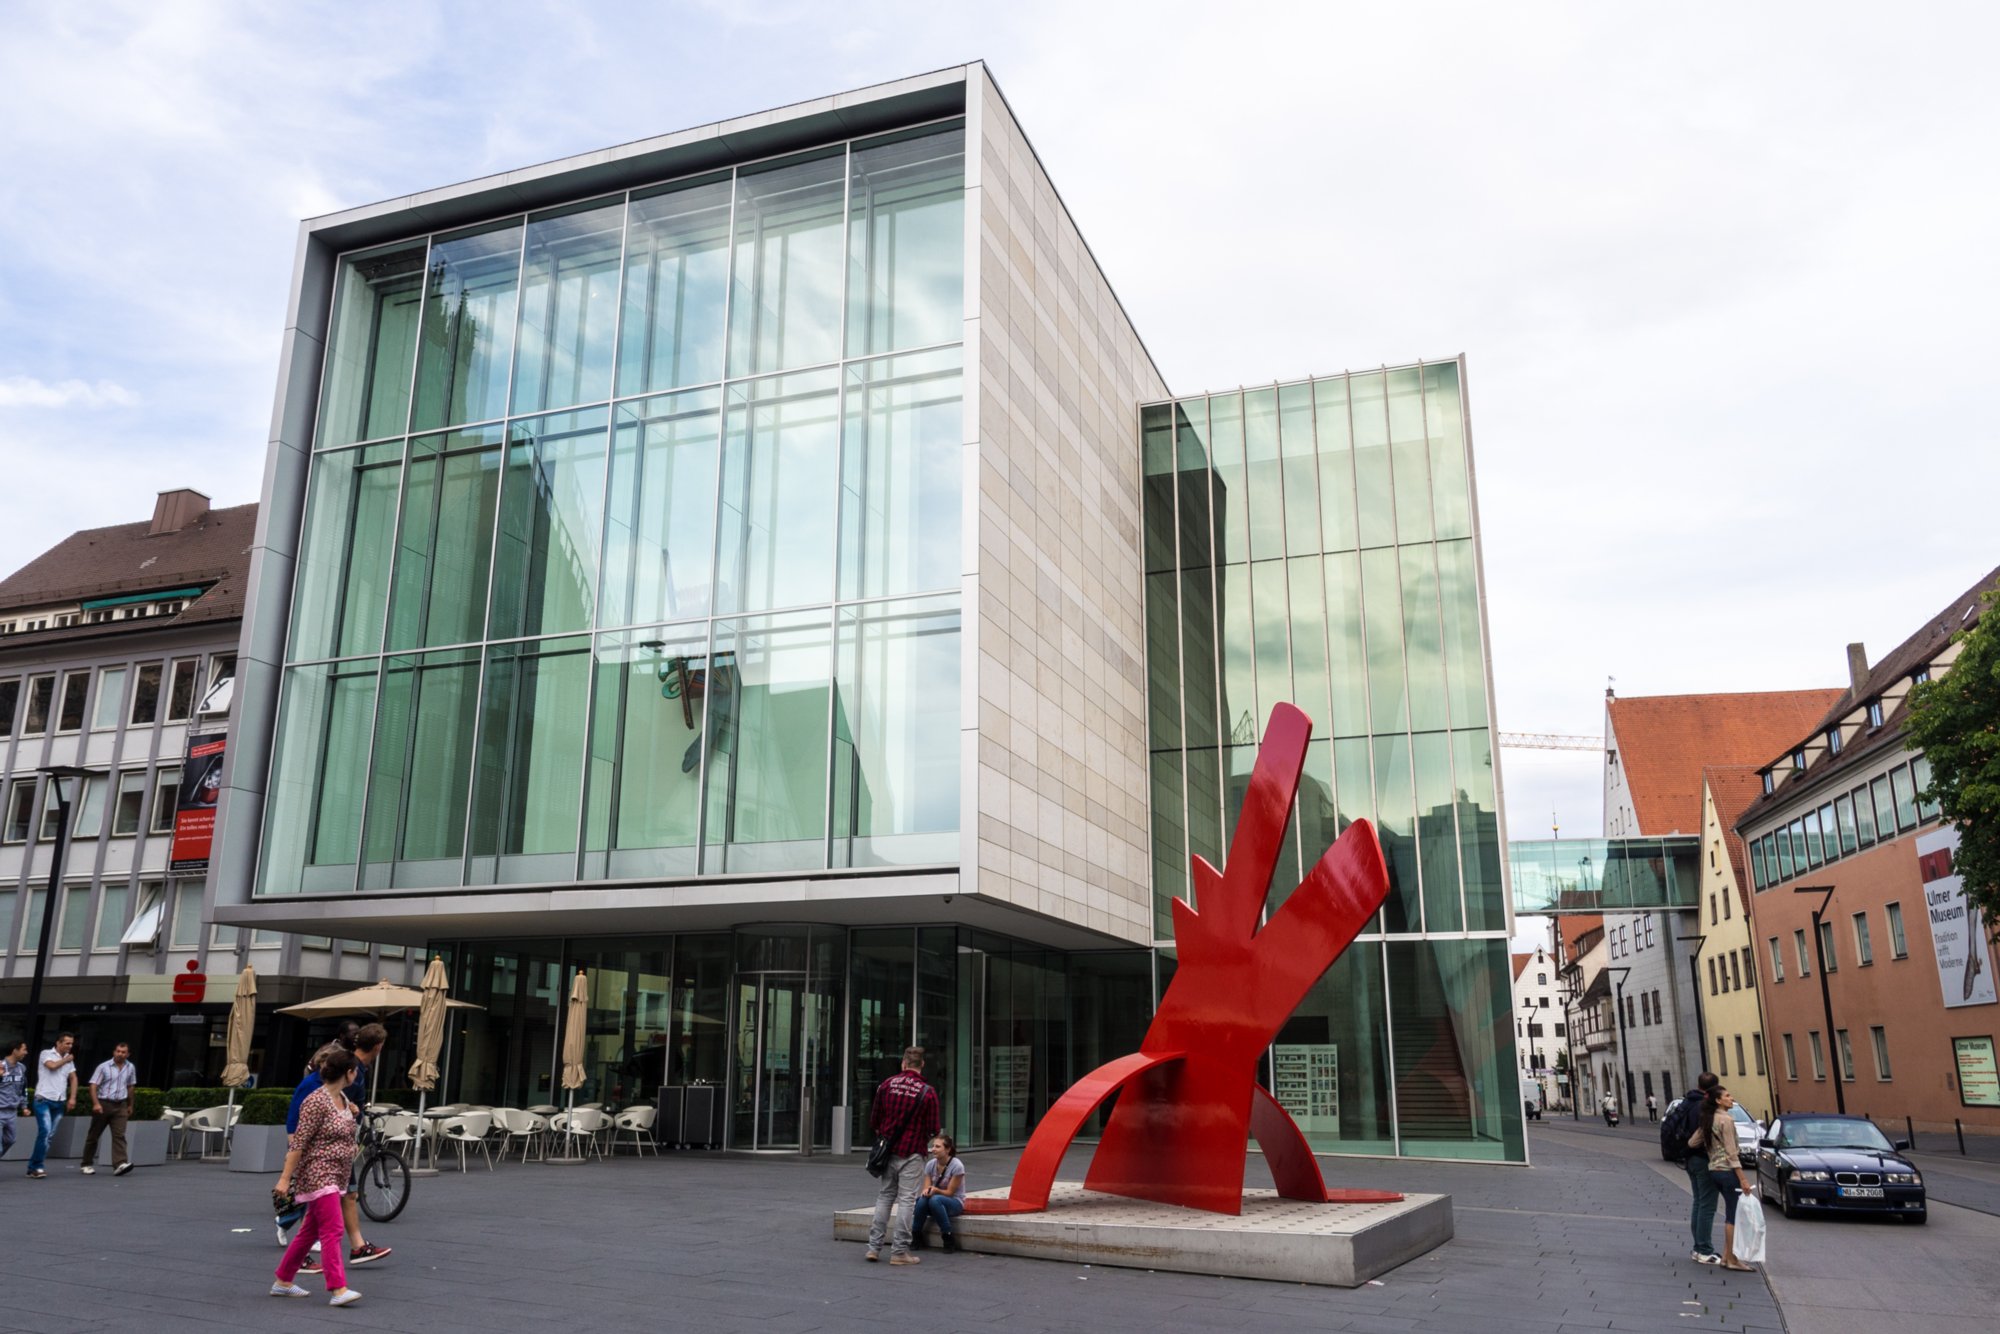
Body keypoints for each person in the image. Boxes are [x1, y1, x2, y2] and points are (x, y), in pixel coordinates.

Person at [281, 1023, 392, 1267]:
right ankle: (333, 1279)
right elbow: (297, 1123)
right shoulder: (314, 1088)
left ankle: (351, 1250)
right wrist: (286, 1175)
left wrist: (350, 1129)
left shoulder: (337, 1092)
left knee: (342, 1197)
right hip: (320, 1155)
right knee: (321, 1210)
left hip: (335, 1152)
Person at [269, 1048, 364, 1306]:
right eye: (356, 1070)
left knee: (309, 1231)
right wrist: (285, 1178)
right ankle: (338, 1288)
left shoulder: (343, 1098)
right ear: (348, 1073)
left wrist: (352, 1114)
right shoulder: (316, 1101)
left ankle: (283, 1281)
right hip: (319, 1173)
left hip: (337, 1173)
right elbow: (298, 1143)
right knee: (332, 1229)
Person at [866, 1046, 941, 1266]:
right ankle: (899, 1252)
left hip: (888, 1151)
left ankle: (873, 1248)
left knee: (885, 1196)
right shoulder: (928, 1092)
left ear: (903, 1063)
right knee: (907, 1200)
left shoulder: (886, 1085)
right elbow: (934, 1128)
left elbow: (874, 1120)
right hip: (912, 1152)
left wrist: (886, 1134)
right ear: (922, 1065)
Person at [1690, 1084, 1756, 1272]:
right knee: (1733, 1215)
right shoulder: (1726, 1120)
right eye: (1727, 1095)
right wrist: (1742, 1178)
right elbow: (1731, 1152)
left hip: (1713, 1169)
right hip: (1727, 1171)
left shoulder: (1708, 1119)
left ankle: (1727, 1257)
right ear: (1718, 1100)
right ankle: (1732, 1259)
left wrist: (1712, 1150)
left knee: (1730, 1212)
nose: (1731, 1098)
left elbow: (1692, 1142)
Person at [1663, 1071, 1723, 1265]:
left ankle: (1699, 1248)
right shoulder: (1703, 1107)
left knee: (1699, 1202)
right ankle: (1704, 1249)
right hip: (1702, 1158)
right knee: (1707, 1204)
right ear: (1714, 1089)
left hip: (1689, 1159)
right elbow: (1704, 1135)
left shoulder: (1687, 1102)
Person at [81, 1041, 139, 1176]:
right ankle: (86, 1163)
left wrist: (130, 1105)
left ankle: (120, 1164)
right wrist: (96, 1103)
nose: (120, 1054)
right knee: (94, 1135)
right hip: (104, 1103)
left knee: (119, 1135)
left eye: (123, 1052)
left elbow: (131, 1086)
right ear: (114, 1052)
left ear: (128, 1054)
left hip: (121, 1105)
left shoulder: (130, 1067)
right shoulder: (104, 1066)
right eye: (118, 1051)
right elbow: (93, 1085)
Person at [26, 1032, 77, 1178]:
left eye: (71, 1043)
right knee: (45, 1132)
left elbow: (73, 1078)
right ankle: (37, 1167)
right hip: (43, 1099)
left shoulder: (68, 1060)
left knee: (49, 1136)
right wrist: (67, 1060)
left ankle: (33, 1166)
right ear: (58, 1043)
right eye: (67, 1043)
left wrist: (72, 1097)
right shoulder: (46, 1053)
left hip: (59, 1100)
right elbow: (52, 1066)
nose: (70, 1046)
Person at [912, 1133, 966, 1252]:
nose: (933, 1149)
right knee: (922, 1200)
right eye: (933, 1146)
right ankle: (916, 1236)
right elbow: (926, 1189)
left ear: (947, 1149)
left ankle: (948, 1236)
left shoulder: (957, 1166)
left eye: (937, 1147)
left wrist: (936, 1191)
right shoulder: (930, 1165)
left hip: (954, 1202)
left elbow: (950, 1193)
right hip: (934, 1201)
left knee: (935, 1200)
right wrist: (928, 1191)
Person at [0, 1041, 28, 1160]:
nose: (26, 1052)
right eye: (24, 1049)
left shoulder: (22, 1068)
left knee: (10, 1140)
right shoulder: (0, 1065)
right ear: (15, 1050)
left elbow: (22, 1089)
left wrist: (24, 1106)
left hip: (12, 1112)